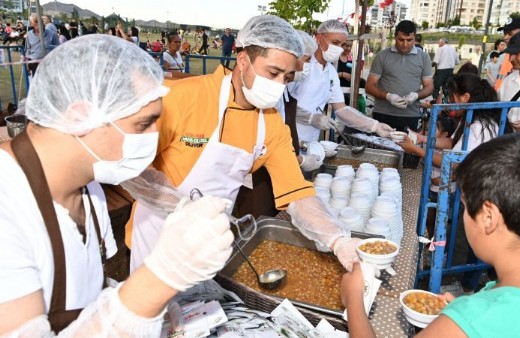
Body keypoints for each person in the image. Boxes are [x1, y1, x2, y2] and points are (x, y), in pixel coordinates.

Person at [0, 34, 235, 336]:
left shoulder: (89, 188)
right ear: (81, 116)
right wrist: (161, 278)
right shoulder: (9, 206)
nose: (153, 137)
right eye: (143, 124)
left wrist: (152, 314)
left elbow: (85, 295)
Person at [127, 15, 362, 274]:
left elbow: (297, 192)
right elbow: (133, 167)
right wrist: (180, 206)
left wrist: (337, 240)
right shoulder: (184, 98)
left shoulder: (271, 123)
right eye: (272, 72)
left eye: (286, 78)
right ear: (243, 60)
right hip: (157, 237)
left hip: (211, 241)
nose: (278, 85)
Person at [344, 133, 520, 337]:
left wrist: (355, 299)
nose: (464, 215)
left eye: (465, 207)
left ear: (489, 217)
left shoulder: (470, 322)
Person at [235, 29, 321, 218]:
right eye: (305, 60)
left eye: (286, 77)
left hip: (276, 174)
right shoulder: (256, 95)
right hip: (255, 181)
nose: (305, 66)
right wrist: (299, 160)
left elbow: (277, 136)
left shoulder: (278, 92)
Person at [288, 20, 394, 145]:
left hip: (310, 140)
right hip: (287, 135)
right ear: (319, 38)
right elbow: (282, 104)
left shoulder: (331, 71)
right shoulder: (302, 65)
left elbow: (341, 110)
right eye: (335, 43)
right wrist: (311, 118)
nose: (339, 49)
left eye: (342, 44)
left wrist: (374, 126)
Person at [366, 20, 434, 132]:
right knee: (381, 147)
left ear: (415, 38)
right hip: (383, 112)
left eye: (409, 40)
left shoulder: (424, 57)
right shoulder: (382, 56)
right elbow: (369, 86)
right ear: (395, 37)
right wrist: (388, 96)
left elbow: (429, 87)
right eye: (401, 40)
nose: (405, 44)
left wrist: (416, 95)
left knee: (406, 148)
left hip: (410, 115)